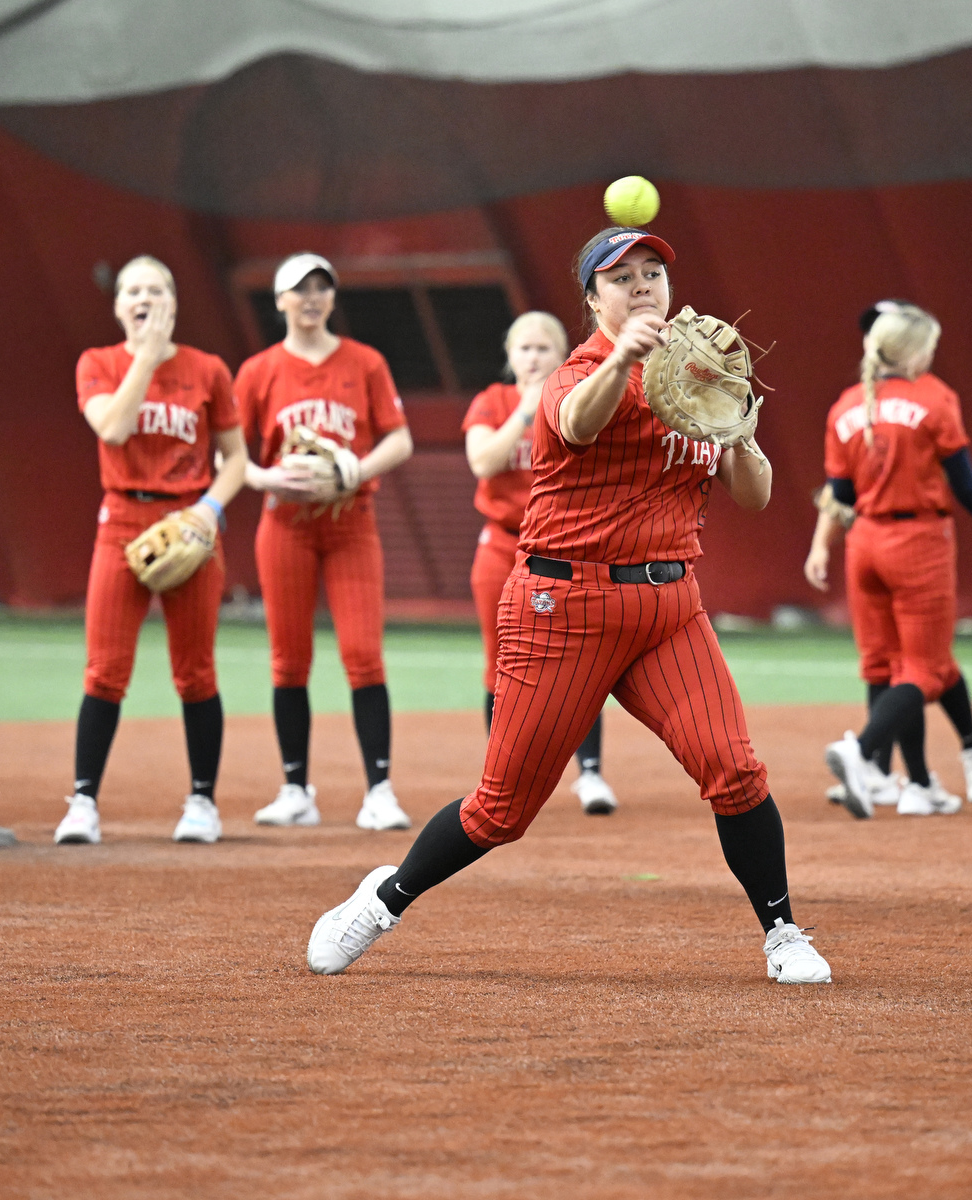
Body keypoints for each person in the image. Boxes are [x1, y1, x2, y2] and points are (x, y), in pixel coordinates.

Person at [305, 227, 832, 985]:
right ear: (593, 300)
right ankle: (383, 899)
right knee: (500, 812)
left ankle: (783, 933)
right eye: (624, 277)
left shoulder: (699, 377)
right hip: (564, 606)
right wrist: (623, 355)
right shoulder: (578, 371)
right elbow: (579, 422)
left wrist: (740, 427)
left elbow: (755, 495)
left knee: (735, 769)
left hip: (668, 611)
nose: (644, 285)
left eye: (655, 273)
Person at [55, 256, 248, 845]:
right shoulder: (99, 362)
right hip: (122, 519)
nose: (145, 298)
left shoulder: (208, 369)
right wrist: (145, 355)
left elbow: (235, 458)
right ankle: (83, 801)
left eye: (157, 289)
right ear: (118, 307)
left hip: (189, 518)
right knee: (105, 669)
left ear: (174, 302)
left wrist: (207, 510)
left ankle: (202, 802)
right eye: (133, 291)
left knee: (195, 672)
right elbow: (112, 429)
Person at [804, 301, 972, 819]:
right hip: (916, 542)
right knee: (926, 668)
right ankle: (863, 752)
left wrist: (820, 543)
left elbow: (840, 493)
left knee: (884, 666)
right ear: (915, 352)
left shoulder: (847, 405)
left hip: (864, 544)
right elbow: (963, 477)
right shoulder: (934, 397)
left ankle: (916, 784)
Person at [235, 253, 415, 832]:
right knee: (289, 661)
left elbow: (400, 439)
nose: (311, 298)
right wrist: (266, 477)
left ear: (332, 299)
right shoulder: (259, 370)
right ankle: (295, 789)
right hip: (285, 525)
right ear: (280, 300)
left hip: (350, 524)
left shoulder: (364, 362)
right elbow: (230, 455)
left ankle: (380, 790)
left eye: (321, 288)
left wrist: (355, 471)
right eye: (299, 289)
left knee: (363, 655)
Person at [464, 311, 617, 815]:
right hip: (501, 548)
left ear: (561, 355)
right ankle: (500, 777)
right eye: (524, 349)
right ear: (510, 356)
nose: (533, 358)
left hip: (562, 550)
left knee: (583, 661)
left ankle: (590, 773)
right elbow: (484, 462)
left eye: (543, 349)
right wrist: (524, 411)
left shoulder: (577, 398)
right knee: (500, 661)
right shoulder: (493, 400)